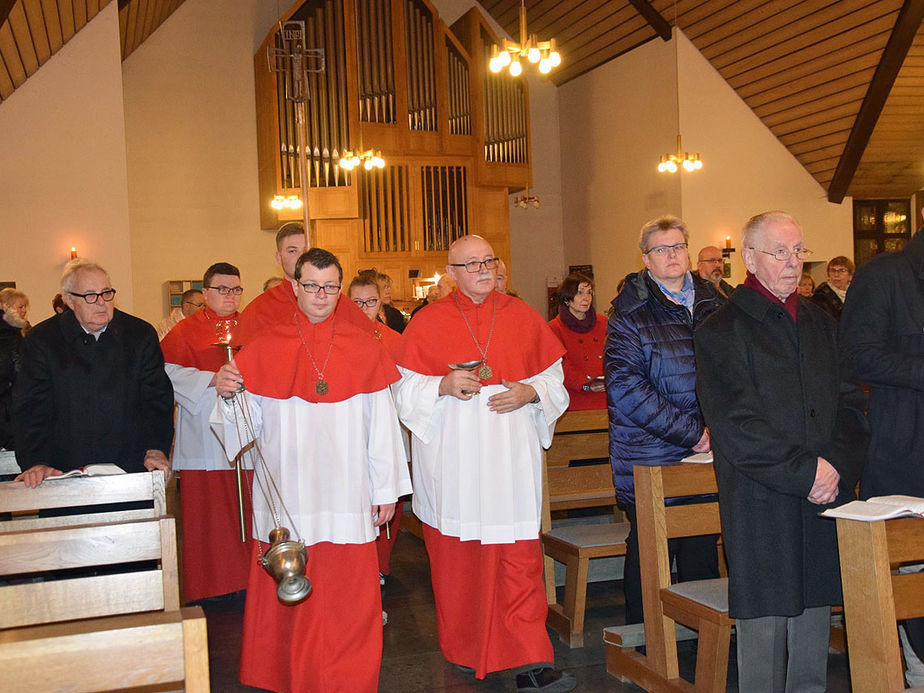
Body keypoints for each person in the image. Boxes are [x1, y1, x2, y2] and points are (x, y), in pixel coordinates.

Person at [214, 248, 410, 693]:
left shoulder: (365, 348)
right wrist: (229, 395)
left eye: (329, 287)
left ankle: (349, 678)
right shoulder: (264, 347)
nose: (320, 295)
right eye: (311, 286)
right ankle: (289, 675)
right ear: (295, 287)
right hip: (288, 494)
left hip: (348, 491)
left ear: (339, 290)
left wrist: (386, 490)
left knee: (348, 599)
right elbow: (245, 429)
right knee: (291, 597)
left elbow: (382, 427)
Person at [695, 211, 868, 693]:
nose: (793, 262)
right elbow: (736, 424)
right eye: (780, 252)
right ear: (749, 257)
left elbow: (852, 404)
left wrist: (835, 467)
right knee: (766, 629)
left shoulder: (821, 323)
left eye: (798, 251)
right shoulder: (721, 330)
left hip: (823, 492)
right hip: (761, 497)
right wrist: (806, 473)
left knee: (814, 615)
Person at [393, 235, 575, 692]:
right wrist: (441, 385)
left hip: (510, 462)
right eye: (470, 263)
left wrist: (531, 393)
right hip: (453, 462)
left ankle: (531, 657)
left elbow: (555, 382)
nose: (481, 269)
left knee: (519, 561)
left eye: (488, 261)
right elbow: (400, 390)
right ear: (450, 272)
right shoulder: (428, 322)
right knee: (459, 562)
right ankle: (466, 648)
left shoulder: (523, 315)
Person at [604, 215, 721, 625]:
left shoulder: (716, 303)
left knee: (703, 540)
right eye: (661, 249)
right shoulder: (630, 313)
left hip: (710, 449)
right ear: (646, 260)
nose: (671, 255)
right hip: (653, 450)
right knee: (651, 546)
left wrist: (721, 429)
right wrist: (694, 434)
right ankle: (646, 630)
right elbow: (625, 387)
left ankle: (702, 630)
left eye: (678, 247)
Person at [840, 208, 924, 684]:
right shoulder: (885, 275)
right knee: (910, 574)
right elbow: (857, 356)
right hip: (905, 450)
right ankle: (915, 670)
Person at [12, 259, 174, 487]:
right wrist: (36, 461)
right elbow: (30, 407)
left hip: (130, 464)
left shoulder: (139, 335)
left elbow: (157, 399)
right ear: (68, 300)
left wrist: (156, 448)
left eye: (106, 293)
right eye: (90, 295)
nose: (101, 303)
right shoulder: (43, 340)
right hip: (63, 468)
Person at [159, 262, 252, 603]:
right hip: (203, 433)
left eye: (237, 289)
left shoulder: (253, 327)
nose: (231, 296)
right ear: (207, 292)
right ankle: (210, 586)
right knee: (208, 514)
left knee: (248, 506)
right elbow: (164, 372)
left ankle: (249, 580)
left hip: (247, 434)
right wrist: (210, 380)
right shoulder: (186, 330)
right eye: (223, 289)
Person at [347, 273, 405, 602]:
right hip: (353, 439)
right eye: (358, 302)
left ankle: (381, 566)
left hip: (388, 433)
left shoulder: (394, 340)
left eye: (371, 301)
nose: (365, 308)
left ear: (380, 302)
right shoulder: (340, 340)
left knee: (386, 505)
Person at [234, 222, 371, 347]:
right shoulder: (259, 310)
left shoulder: (339, 302)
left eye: (306, 251)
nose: (301, 257)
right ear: (278, 258)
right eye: (292, 251)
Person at [547, 273, 606, 410]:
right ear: (567, 299)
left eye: (589, 292)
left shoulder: (604, 323)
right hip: (575, 399)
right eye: (580, 293)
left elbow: (616, 354)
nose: (586, 298)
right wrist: (586, 384)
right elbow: (560, 365)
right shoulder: (554, 328)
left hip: (606, 396)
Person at [0, 289, 30, 450]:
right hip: (8, 404)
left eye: (25, 306)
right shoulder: (10, 334)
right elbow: (19, 369)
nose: (24, 310)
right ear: (7, 307)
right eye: (20, 307)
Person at [810, 255, 854, 320]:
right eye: (833, 270)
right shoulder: (820, 297)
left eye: (841, 270)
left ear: (850, 275)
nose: (836, 275)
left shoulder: (856, 292)